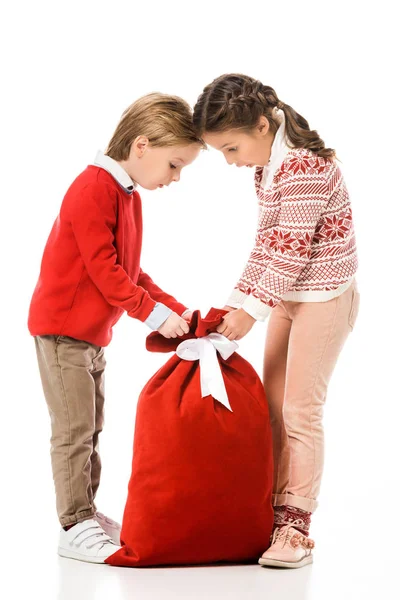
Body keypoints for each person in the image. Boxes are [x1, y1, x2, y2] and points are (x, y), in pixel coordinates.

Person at [193, 74, 360, 568]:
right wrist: (232, 303)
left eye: (230, 148)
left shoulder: (305, 166)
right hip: (289, 294)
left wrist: (252, 312)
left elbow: (290, 251)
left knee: (300, 412)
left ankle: (295, 528)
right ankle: (269, 511)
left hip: (324, 298)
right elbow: (266, 244)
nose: (230, 161)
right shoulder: (268, 167)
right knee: (270, 405)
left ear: (262, 125)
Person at [28, 93, 202, 564]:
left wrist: (179, 313)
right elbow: (107, 275)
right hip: (63, 333)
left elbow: (132, 273)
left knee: (93, 426)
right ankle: (73, 523)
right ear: (142, 145)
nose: (175, 178)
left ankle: (85, 512)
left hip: (90, 336)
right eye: (174, 164)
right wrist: (154, 316)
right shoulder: (93, 188)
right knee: (73, 429)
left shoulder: (127, 196)